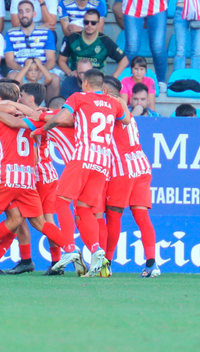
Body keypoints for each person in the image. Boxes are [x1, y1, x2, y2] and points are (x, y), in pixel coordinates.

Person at [0, 82, 76, 275]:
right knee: (34, 221)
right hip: (29, 179)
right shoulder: (35, 120)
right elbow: (35, 158)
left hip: (7, 178)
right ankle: (70, 250)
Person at [37, 70, 131, 277]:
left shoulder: (78, 97)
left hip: (83, 156)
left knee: (60, 202)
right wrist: (119, 100)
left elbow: (62, 116)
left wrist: (42, 128)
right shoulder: (113, 103)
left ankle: (70, 248)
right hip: (104, 161)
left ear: (86, 83)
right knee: (85, 208)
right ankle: (98, 252)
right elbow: (125, 121)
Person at [98, 76, 160, 277]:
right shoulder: (121, 104)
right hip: (140, 164)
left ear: (105, 92)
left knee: (113, 215)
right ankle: (151, 263)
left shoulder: (110, 106)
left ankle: (106, 263)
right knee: (141, 215)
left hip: (122, 166)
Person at [4, 0, 59, 96]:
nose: (24, 14)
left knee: (54, 79)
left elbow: (51, 59)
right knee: (11, 77)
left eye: (27, 11)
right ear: (17, 15)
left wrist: (41, 72)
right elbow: (9, 61)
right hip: (20, 70)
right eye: (20, 12)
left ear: (34, 14)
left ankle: (52, 109)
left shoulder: (46, 32)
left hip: (41, 70)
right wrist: (24, 71)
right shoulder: (10, 33)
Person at [60, 9, 129, 77]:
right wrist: (69, 73)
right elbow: (61, 60)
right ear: (83, 23)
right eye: (86, 22)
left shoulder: (105, 41)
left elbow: (124, 60)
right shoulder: (73, 38)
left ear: (98, 24)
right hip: (76, 77)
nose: (89, 25)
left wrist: (113, 77)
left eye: (93, 23)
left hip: (96, 79)